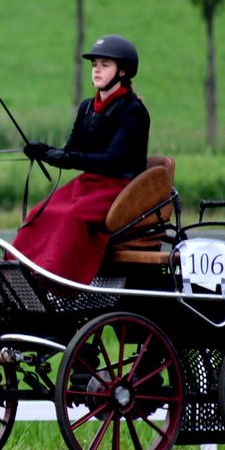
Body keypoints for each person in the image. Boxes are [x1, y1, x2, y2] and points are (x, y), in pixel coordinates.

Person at [16, 34, 150, 284]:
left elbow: (113, 160)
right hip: (89, 183)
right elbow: (71, 151)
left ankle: (54, 281)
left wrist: (66, 157)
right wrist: (44, 151)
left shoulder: (133, 111)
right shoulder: (87, 107)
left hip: (119, 188)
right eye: (94, 64)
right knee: (40, 212)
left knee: (71, 216)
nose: (97, 70)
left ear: (122, 71)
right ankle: (18, 276)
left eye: (104, 65)